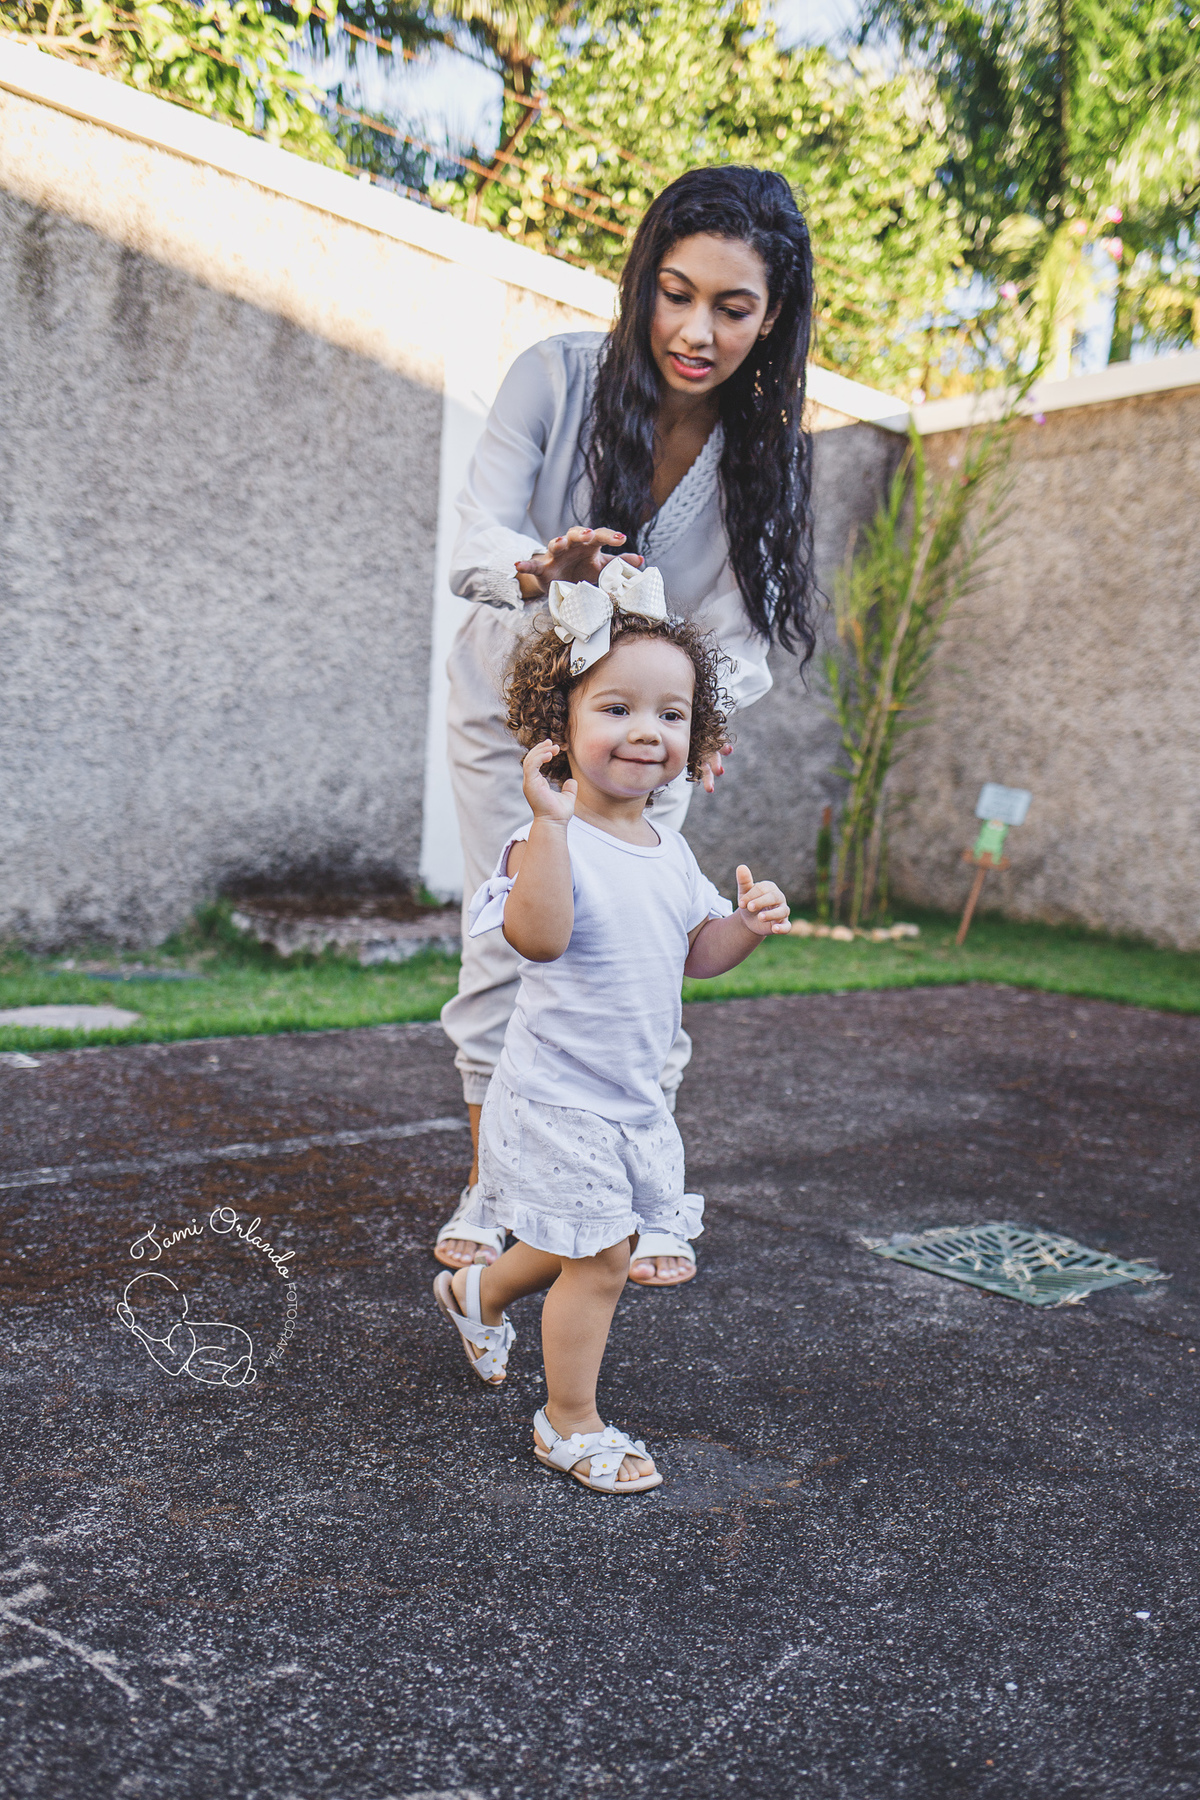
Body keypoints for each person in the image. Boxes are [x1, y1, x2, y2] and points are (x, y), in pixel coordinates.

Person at [435, 163, 817, 1285]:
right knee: (509, 950)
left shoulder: (770, 449)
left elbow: (740, 637)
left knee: (646, 962)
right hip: (514, 724)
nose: (697, 331)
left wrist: (702, 721)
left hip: (651, 744)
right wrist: (536, 569)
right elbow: (474, 537)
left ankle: (640, 1190)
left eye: (733, 308)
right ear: (645, 279)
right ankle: (494, 1189)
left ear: (772, 317)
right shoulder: (553, 376)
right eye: (676, 293)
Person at [432, 585, 790, 1490]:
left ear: (696, 737)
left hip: (629, 1097)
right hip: (556, 1096)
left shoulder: (669, 850)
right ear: (559, 722)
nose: (646, 731)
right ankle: (569, 1423)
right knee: (602, 1259)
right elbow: (537, 938)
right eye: (617, 707)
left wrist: (745, 925)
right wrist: (550, 825)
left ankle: (477, 1292)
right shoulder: (546, 841)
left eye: (671, 714)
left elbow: (695, 954)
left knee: (579, 1237)